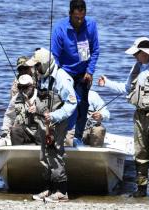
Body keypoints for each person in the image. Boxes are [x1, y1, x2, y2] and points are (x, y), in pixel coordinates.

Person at [98, 37, 149, 200]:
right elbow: (126, 88)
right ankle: (141, 188)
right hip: (139, 116)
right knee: (140, 153)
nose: (134, 56)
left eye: (136, 53)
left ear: (145, 53)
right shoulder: (136, 68)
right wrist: (107, 83)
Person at [26, 48, 77, 202]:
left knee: (55, 153)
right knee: (44, 154)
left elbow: (72, 104)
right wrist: (35, 106)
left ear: (45, 64)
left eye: (37, 65)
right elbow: (42, 98)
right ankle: (49, 189)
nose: (35, 69)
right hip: (42, 122)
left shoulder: (62, 79)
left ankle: (61, 191)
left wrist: (55, 115)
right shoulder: (43, 76)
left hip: (57, 123)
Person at [51, 0, 100, 146]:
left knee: (82, 104)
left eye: (82, 17)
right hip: (64, 71)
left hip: (83, 72)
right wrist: (57, 77)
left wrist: (90, 71)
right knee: (65, 103)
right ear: (70, 14)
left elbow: (95, 50)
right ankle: (59, 133)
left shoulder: (90, 25)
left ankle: (77, 137)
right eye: (76, 18)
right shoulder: (60, 28)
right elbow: (55, 56)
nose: (79, 21)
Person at [0, 74, 40, 151]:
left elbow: (50, 113)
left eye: (25, 87)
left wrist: (37, 109)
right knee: (15, 130)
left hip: (40, 130)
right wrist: (4, 131)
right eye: (20, 87)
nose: (22, 90)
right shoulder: (16, 98)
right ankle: (17, 154)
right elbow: (9, 116)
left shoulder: (40, 96)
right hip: (26, 131)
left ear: (32, 86)